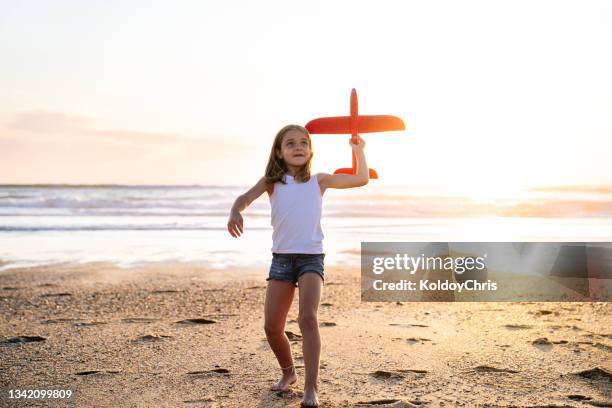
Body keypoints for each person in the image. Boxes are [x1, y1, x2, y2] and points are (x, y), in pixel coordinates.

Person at [227, 124, 369, 407]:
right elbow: (244, 199)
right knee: (271, 327)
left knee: (307, 319)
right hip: (281, 259)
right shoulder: (271, 181)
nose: (298, 147)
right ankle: (288, 373)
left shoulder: (320, 181)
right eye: (290, 143)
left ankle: (311, 388)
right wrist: (235, 210)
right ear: (279, 152)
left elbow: (360, 178)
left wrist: (358, 150)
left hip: (311, 259)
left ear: (310, 150)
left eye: (304, 143)